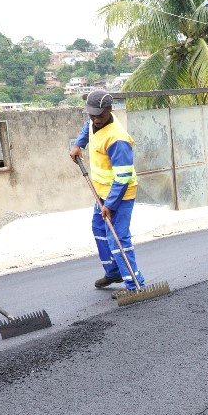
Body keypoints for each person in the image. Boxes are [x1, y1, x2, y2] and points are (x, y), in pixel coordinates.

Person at [69, 90, 146, 292]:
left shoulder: (118, 140)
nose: (95, 119)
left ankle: (135, 284)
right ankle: (114, 273)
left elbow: (123, 178)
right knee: (99, 230)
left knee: (118, 237)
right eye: (91, 115)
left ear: (110, 110)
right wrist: (78, 144)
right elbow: (88, 128)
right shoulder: (95, 122)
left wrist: (110, 205)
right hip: (102, 192)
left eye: (99, 115)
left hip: (120, 195)